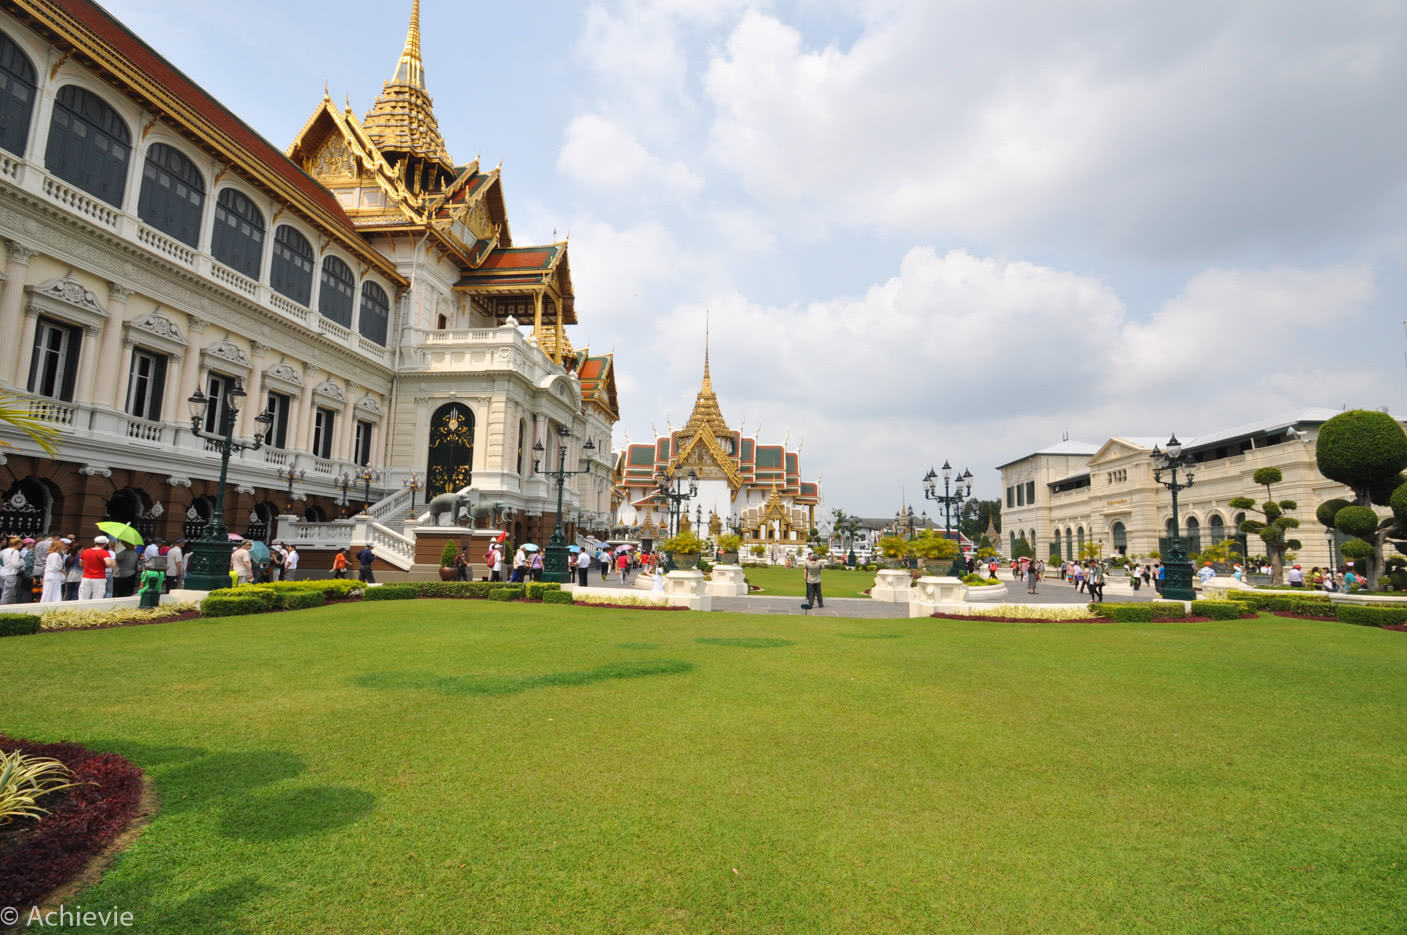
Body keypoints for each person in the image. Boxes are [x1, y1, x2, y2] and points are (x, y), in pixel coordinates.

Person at [79, 536, 115, 600]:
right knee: (97, 598)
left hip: (86, 577)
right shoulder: (104, 552)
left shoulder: (86, 551)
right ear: (105, 544)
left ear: (95, 542)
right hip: (99, 578)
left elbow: (81, 563)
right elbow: (108, 564)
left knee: (83, 597)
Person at [0, 536, 22, 603]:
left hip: (2, 574)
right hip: (10, 574)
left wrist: (2, 568)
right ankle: (2, 609)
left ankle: (11, 607)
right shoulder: (15, 552)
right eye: (21, 544)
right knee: (6, 594)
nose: (21, 545)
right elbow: (15, 564)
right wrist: (22, 563)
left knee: (10, 593)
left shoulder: (4, 551)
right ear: (17, 544)